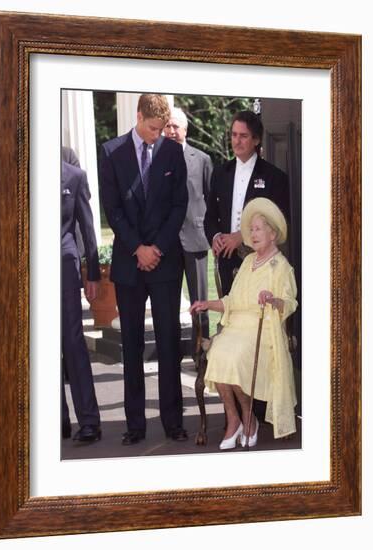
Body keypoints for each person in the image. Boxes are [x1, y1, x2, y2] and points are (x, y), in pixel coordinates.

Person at [100, 94, 189, 445]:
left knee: (169, 343)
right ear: (138, 117)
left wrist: (158, 248)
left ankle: (174, 422)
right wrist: (138, 248)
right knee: (133, 346)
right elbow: (113, 208)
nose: (157, 135)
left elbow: (178, 204)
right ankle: (134, 425)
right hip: (129, 265)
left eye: (162, 128)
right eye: (153, 128)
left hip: (165, 263)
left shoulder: (172, 151)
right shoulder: (111, 152)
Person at [190, 198, 297, 449]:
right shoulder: (248, 262)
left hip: (262, 328)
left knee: (235, 357)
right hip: (235, 327)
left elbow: (290, 303)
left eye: (259, 229)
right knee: (218, 353)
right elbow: (231, 301)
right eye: (252, 229)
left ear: (272, 234)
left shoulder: (281, 267)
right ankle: (234, 419)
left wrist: (273, 300)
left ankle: (249, 420)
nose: (253, 233)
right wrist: (207, 304)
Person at [204, 110, 290, 297]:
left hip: (261, 259)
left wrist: (243, 236)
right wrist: (216, 236)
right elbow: (210, 216)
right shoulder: (220, 173)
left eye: (243, 136)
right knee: (230, 315)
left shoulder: (275, 177)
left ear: (256, 140)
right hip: (227, 259)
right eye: (234, 135)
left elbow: (280, 222)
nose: (237, 141)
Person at [163, 107, 213, 354]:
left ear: (185, 129)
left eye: (176, 126)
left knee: (200, 303)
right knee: (168, 303)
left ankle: (201, 353)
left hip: (196, 239)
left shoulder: (202, 159)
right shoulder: (155, 158)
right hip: (167, 243)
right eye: (168, 126)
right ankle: (171, 353)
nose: (171, 131)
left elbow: (211, 200)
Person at [61, 161, 102, 442]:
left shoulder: (75, 176)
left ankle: (89, 421)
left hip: (64, 266)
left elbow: (87, 228)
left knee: (73, 341)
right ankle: (56, 421)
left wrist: (94, 273)